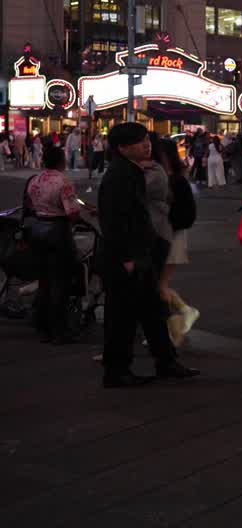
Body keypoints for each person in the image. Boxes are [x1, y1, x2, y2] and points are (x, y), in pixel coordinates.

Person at [98, 123, 199, 388]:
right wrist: (127, 257)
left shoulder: (130, 171)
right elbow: (115, 220)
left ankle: (166, 361)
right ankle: (118, 370)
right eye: (139, 141)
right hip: (128, 257)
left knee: (152, 310)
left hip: (140, 253)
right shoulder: (121, 175)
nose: (147, 145)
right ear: (122, 147)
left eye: (147, 140)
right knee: (123, 317)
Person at [26, 146, 82, 343]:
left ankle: (42, 327)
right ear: (61, 161)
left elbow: (31, 206)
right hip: (57, 231)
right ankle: (59, 330)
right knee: (60, 281)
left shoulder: (35, 180)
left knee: (44, 280)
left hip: (38, 229)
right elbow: (72, 211)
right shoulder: (63, 181)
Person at [153, 138, 199, 346]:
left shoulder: (176, 181)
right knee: (158, 284)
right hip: (167, 236)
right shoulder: (164, 178)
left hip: (172, 236)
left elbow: (188, 213)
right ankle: (176, 320)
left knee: (158, 284)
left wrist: (169, 223)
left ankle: (179, 318)